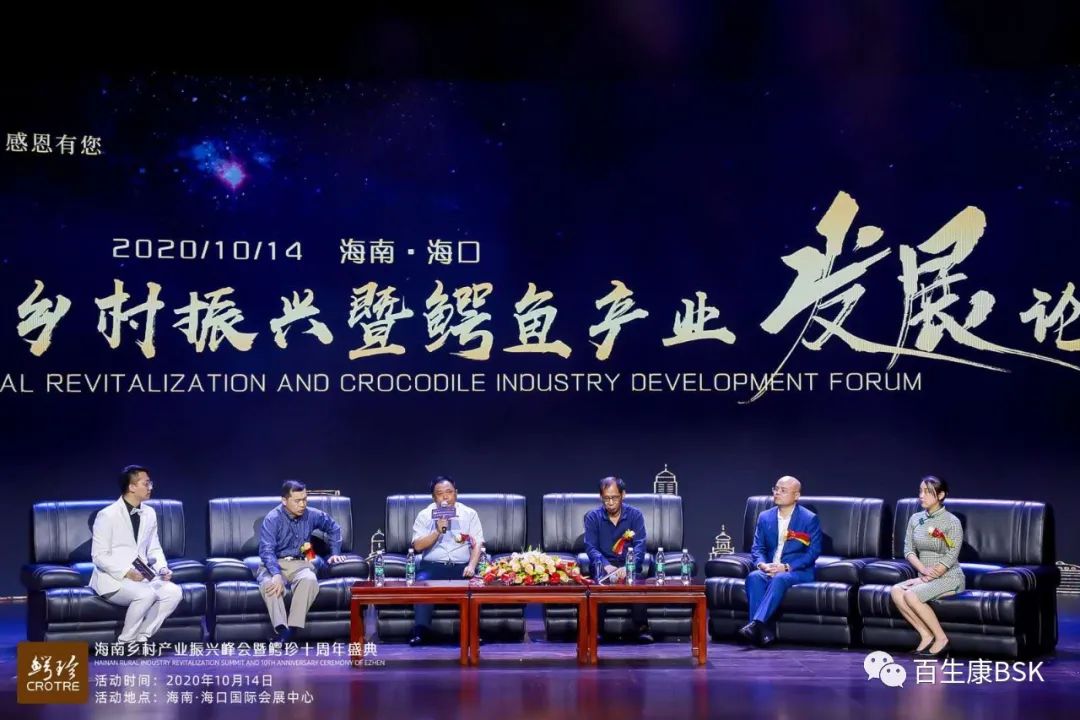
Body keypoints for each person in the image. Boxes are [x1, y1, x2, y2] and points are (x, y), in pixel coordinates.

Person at [90, 465, 182, 644]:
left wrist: (162, 568)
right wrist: (126, 572)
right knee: (146, 594)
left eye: (150, 483)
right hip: (113, 578)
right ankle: (126, 642)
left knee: (173, 592)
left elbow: (154, 547)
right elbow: (99, 556)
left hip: (143, 576)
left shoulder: (150, 513)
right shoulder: (107, 515)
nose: (150, 487)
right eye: (146, 484)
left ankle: (142, 637)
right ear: (132, 487)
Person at [257, 480, 347, 643]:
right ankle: (281, 629)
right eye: (297, 501)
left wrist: (335, 553)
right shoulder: (272, 518)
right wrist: (276, 574)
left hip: (300, 562)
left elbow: (334, 528)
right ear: (284, 501)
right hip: (275, 563)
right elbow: (266, 550)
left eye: (305, 499)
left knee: (309, 579)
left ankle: (291, 631)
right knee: (270, 585)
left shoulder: (311, 514)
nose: (302, 504)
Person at [738, 475, 822, 647]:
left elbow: (813, 552)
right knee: (754, 576)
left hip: (797, 571)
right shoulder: (765, 517)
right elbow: (758, 548)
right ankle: (761, 633)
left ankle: (756, 625)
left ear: (796, 495)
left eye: (783, 490)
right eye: (775, 489)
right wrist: (762, 564)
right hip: (770, 568)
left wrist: (787, 567)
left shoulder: (809, 519)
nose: (777, 493)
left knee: (780, 578)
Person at [889, 475, 964, 657]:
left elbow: (952, 554)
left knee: (911, 594)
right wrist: (922, 571)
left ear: (941, 495)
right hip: (925, 576)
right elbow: (908, 550)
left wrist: (928, 577)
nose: (921, 496)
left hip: (949, 577)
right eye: (920, 491)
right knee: (896, 591)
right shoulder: (915, 519)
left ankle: (942, 639)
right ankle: (925, 634)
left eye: (927, 492)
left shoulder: (952, 521)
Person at [409, 476, 484, 647]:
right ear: (433, 497)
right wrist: (437, 530)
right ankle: (421, 631)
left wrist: (472, 566)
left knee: (475, 586)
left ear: (456, 493)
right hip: (433, 566)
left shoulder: (469, 514)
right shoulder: (424, 515)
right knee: (422, 584)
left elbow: (477, 543)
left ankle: (472, 632)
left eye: (449, 492)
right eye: (440, 493)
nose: (445, 497)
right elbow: (418, 546)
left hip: (462, 567)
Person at [583, 476, 654, 643]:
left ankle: (641, 629)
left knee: (636, 583)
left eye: (614, 498)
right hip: (603, 566)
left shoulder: (635, 515)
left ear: (623, 495)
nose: (610, 503)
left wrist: (628, 567)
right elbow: (591, 547)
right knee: (599, 584)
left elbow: (640, 545)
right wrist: (606, 566)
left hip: (628, 564)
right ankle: (596, 631)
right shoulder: (593, 517)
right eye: (606, 498)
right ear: (601, 497)